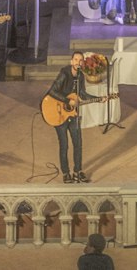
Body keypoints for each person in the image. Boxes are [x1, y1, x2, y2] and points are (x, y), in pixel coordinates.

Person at [47, 48, 89, 183]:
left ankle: (78, 171)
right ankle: (66, 173)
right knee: (64, 144)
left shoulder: (81, 76)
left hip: (73, 113)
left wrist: (100, 98)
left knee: (78, 143)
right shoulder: (64, 74)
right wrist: (67, 100)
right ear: (72, 61)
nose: (78, 62)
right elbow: (52, 91)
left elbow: (82, 94)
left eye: (80, 60)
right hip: (59, 112)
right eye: (76, 59)